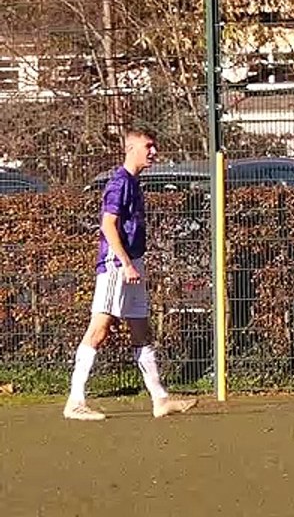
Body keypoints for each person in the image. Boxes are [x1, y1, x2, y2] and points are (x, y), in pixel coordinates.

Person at [63, 126, 197, 421]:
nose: (154, 151)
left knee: (141, 330)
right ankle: (75, 401)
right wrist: (124, 262)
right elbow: (108, 225)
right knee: (100, 329)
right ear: (131, 148)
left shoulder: (135, 183)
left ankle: (160, 399)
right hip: (116, 264)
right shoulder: (119, 182)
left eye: (154, 145)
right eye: (148, 145)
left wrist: (133, 262)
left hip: (133, 262)